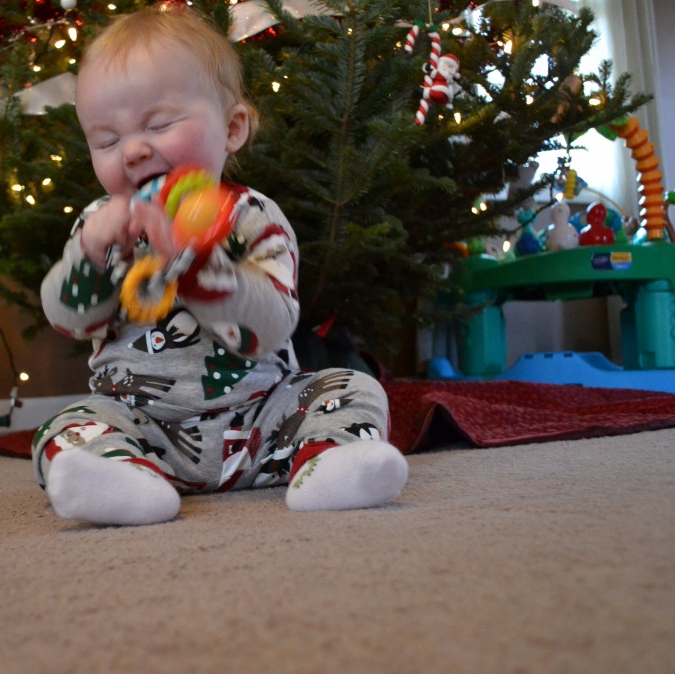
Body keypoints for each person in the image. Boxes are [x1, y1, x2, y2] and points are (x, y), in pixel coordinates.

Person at [33, 5, 407, 525]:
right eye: (108, 140)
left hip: (262, 422)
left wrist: (195, 263)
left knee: (353, 387)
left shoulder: (253, 218)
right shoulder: (101, 224)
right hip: (143, 423)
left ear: (232, 129)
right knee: (67, 428)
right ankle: (125, 482)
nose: (134, 151)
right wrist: (90, 256)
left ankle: (327, 466)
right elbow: (67, 320)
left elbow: (273, 324)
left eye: (158, 124)